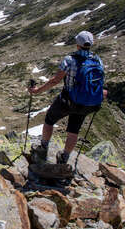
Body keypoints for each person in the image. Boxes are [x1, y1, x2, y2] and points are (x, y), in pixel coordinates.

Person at [28, 31, 107, 164]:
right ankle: (64, 158)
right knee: (74, 130)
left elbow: (55, 80)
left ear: (77, 44)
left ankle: (43, 148)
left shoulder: (70, 60)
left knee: (49, 119)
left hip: (69, 100)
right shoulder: (98, 60)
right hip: (88, 103)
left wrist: (37, 91)